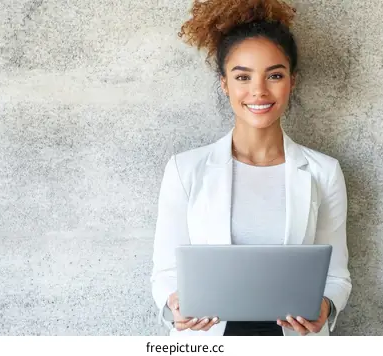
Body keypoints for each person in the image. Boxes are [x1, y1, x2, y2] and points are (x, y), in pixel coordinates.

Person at [150, 0, 352, 336]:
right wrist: (175, 307)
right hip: (209, 339)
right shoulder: (185, 170)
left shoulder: (324, 172)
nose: (258, 91)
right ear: (225, 83)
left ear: (292, 81)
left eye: (274, 75)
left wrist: (326, 305)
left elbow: (337, 274)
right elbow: (166, 271)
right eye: (242, 76)